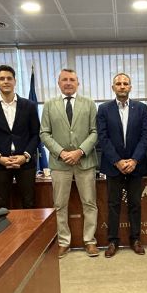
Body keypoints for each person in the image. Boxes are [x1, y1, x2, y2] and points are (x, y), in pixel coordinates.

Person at [40, 68, 100, 259]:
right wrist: (62, 152)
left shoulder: (89, 104)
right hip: (60, 163)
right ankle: (63, 242)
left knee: (89, 203)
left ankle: (90, 241)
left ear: (78, 83)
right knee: (60, 204)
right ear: (58, 83)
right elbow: (44, 133)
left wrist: (80, 151)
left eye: (72, 79)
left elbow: (95, 131)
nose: (68, 83)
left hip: (85, 161)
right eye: (64, 80)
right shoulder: (49, 105)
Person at [97, 72, 147, 258]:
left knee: (135, 204)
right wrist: (117, 161)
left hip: (136, 165)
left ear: (130, 87)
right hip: (113, 165)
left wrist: (134, 160)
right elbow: (102, 138)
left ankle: (135, 239)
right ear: (113, 87)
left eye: (125, 83)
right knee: (113, 204)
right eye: (118, 83)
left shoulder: (141, 108)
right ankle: (112, 241)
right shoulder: (103, 109)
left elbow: (145, 137)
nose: (122, 86)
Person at [0, 65, 40, 209]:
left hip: (25, 162)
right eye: (2, 79)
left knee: (29, 202)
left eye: (9, 78)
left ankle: (28, 232)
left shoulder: (29, 105)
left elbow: (36, 134)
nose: (6, 81)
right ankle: (4, 232)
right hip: (0, 163)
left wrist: (25, 156)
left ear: (15, 81)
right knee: (1, 204)